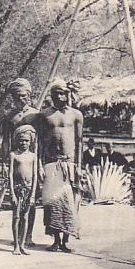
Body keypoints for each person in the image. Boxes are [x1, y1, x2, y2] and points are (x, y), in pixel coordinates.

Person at [36, 78, 83, 253]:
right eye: (56, 94)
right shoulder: (44, 115)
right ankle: (55, 240)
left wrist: (79, 165)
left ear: (68, 94)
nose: (59, 97)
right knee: (52, 203)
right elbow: (40, 142)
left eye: (62, 93)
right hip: (51, 163)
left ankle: (65, 240)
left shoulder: (76, 115)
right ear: (52, 96)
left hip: (69, 163)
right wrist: (40, 165)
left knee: (69, 204)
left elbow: (79, 142)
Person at [0, 78, 40, 247]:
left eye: (23, 96)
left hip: (31, 160)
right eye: (16, 96)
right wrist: (4, 162)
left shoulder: (36, 115)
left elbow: (39, 142)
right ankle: (16, 237)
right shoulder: (9, 117)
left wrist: (40, 164)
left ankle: (28, 235)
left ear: (29, 96)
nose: (20, 99)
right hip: (15, 160)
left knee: (31, 198)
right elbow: (6, 140)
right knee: (15, 199)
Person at [9, 125, 37, 256]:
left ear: (30, 141)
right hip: (17, 189)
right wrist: (12, 194)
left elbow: (35, 176)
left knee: (25, 217)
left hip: (29, 189)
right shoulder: (13, 155)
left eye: (26, 140)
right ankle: (15, 245)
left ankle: (22, 244)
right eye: (21, 140)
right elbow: (9, 175)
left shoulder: (33, 156)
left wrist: (32, 195)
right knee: (16, 217)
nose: (23, 143)